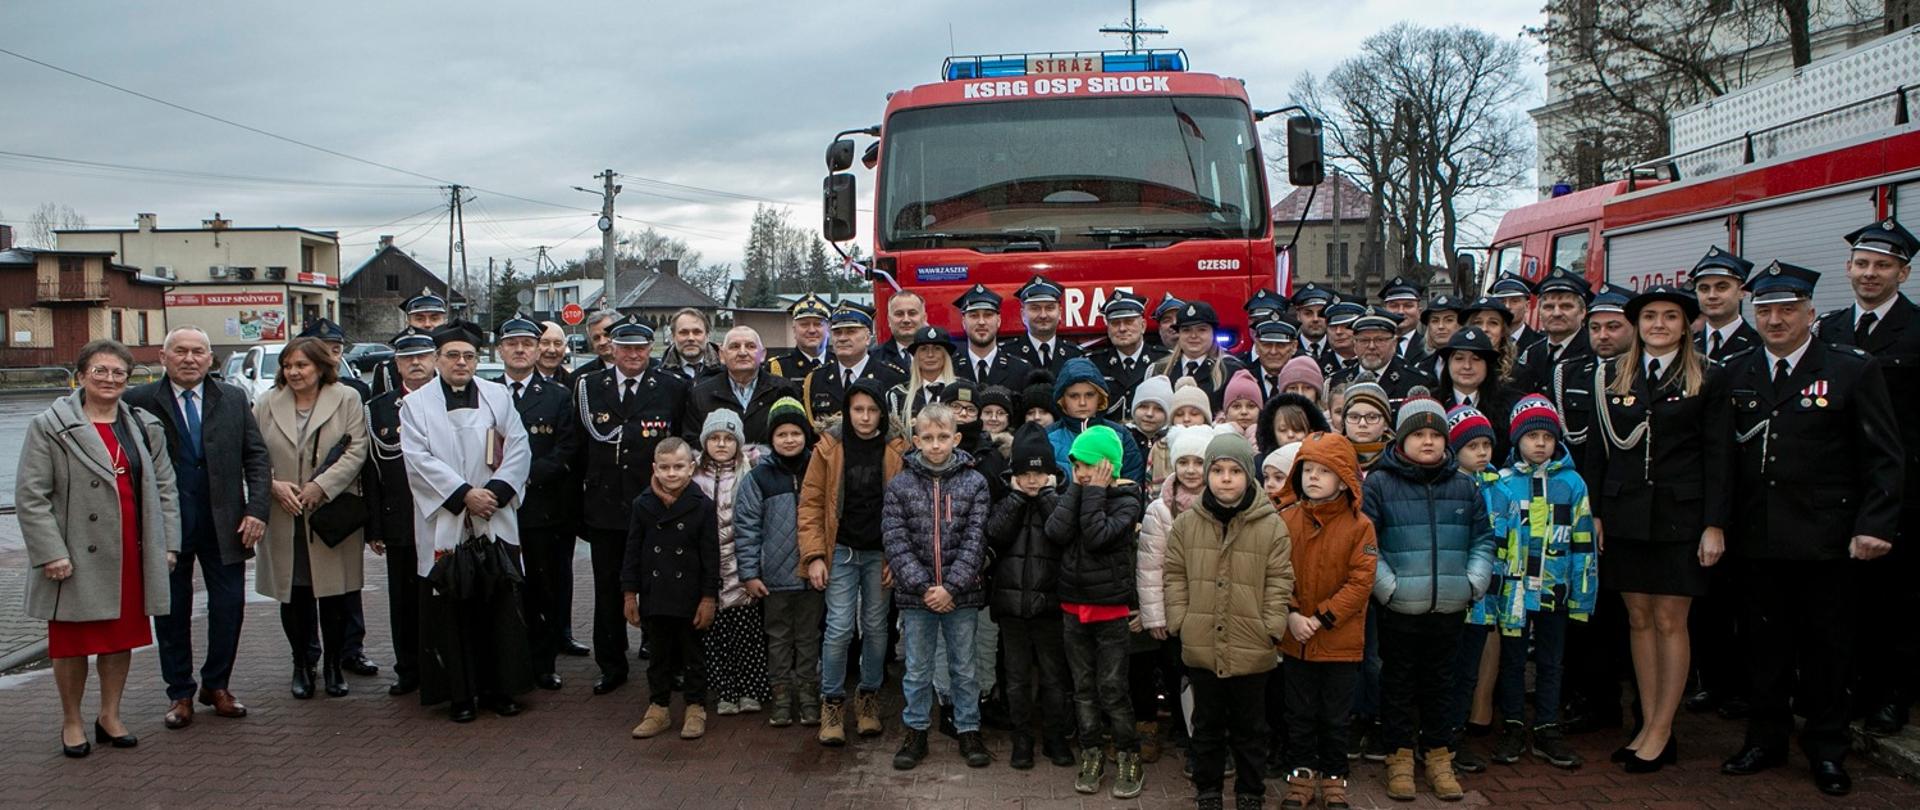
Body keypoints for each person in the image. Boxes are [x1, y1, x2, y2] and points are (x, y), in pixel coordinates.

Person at [1718, 261, 1901, 797]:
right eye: (1766, 310)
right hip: (1757, 538)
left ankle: (1826, 750)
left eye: (1787, 310)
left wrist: (1875, 524)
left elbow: (1884, 455)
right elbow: (1724, 457)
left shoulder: (1850, 369)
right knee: (1763, 646)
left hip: (1826, 538)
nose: (1775, 320)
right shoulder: (1737, 371)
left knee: (1827, 650)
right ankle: (1765, 740)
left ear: (1810, 312)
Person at [1574, 286, 1730, 771]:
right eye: (1649, 317)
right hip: (1625, 516)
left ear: (1686, 325)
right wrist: (1595, 511)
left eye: (1669, 317)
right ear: (1637, 325)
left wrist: (1714, 524)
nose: (1658, 324)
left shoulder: (1708, 377)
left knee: (1670, 621)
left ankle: (1663, 727)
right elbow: (1598, 452)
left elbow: (1720, 455)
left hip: (1680, 517)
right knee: (1637, 619)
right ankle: (1645, 724)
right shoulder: (1611, 376)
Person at [18, 340, 180, 757]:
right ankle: (71, 720)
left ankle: (110, 714)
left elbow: (165, 489)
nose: (109, 380)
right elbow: (32, 496)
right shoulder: (50, 426)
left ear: (129, 379)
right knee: (71, 643)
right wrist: (50, 552)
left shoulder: (144, 425)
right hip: (72, 556)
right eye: (100, 371)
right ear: (81, 376)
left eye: (118, 373)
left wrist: (168, 545)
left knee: (118, 639)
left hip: (131, 550)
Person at [127, 327, 269, 730]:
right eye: (181, 351)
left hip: (226, 523)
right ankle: (180, 693)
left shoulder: (234, 398)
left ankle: (217, 685)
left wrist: (257, 509)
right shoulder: (138, 402)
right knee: (171, 611)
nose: (189, 359)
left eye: (198, 352)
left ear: (211, 359)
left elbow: (256, 458)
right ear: (163, 357)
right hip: (167, 525)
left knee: (229, 608)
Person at [1814, 218, 1920, 736]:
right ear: (1847, 269)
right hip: (1836, 489)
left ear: (1903, 271)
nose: (1870, 273)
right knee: (1843, 599)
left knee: (1896, 599)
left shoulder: (1918, 330)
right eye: (1862, 264)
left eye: (1882, 265)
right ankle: (1850, 690)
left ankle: (1891, 695)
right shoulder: (1829, 330)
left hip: (1900, 489)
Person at [1363, 395, 1496, 802]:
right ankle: (1398, 755)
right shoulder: (1381, 483)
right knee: (1398, 680)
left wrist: (1472, 583)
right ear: (1401, 440)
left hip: (1450, 606)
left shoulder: (1463, 485)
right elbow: (1367, 544)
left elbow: (1484, 539)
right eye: (1417, 434)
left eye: (1435, 435)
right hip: (1400, 605)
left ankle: (1439, 754)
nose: (1427, 442)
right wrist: (1389, 589)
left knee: (1442, 682)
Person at [402, 322, 535, 721]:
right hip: (448, 517)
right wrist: (464, 495)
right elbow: (417, 460)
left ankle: (502, 689)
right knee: (453, 607)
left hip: (493, 513)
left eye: (469, 356)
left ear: (479, 359)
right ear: (437, 359)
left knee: (498, 603)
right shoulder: (416, 404)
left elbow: (519, 446)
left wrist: (493, 492)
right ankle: (460, 694)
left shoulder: (498, 396)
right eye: (452, 356)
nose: (461, 363)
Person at [1165, 431, 1293, 810]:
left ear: (1248, 476)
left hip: (1252, 643)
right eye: (1217, 469)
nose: (1225, 478)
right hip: (1202, 642)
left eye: (1234, 470)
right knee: (1205, 725)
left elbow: (1280, 578)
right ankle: (1208, 789)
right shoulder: (1188, 524)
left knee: (1251, 728)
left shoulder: (1270, 525)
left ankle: (1250, 791)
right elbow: (1173, 573)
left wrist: (1271, 625)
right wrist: (1181, 620)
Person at [576, 314, 689, 694]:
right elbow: (579, 450)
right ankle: (611, 664)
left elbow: (679, 444)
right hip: (605, 507)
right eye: (625, 347)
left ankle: (667, 662)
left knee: (661, 590)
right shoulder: (589, 387)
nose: (633, 354)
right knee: (608, 591)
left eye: (641, 347)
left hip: (656, 505)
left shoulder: (672, 387)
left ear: (651, 348)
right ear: (612, 348)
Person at [1483, 396, 1598, 770]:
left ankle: (1548, 726)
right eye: (1531, 436)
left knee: (1551, 662)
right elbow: (1493, 542)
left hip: (1555, 590)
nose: (1540, 444)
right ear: (1516, 439)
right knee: (1513, 662)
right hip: (1513, 594)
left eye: (1547, 437)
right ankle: (1514, 724)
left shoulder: (1572, 483)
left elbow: (1584, 542)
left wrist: (1583, 595)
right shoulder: (1500, 484)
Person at [252, 337, 369, 700]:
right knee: (295, 594)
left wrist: (321, 485)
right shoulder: (266, 403)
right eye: (288, 366)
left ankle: (335, 665)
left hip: (330, 513)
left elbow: (356, 449)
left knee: (334, 595)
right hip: (284, 513)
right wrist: (272, 486)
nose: (293, 372)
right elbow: (253, 454)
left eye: (301, 365)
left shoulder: (346, 398)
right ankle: (302, 664)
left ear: (320, 366)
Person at [884, 403, 995, 770]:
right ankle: (915, 731)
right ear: (916, 441)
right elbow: (895, 541)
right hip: (917, 598)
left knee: (964, 666)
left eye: (943, 437)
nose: (935, 445)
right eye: (927, 438)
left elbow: (976, 540)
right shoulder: (900, 484)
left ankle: (968, 728)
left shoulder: (974, 483)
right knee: (916, 668)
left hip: (960, 596)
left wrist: (951, 587)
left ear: (956, 438)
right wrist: (924, 587)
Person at [801, 378, 909, 745]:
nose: (865, 417)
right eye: (858, 409)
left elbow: (907, 508)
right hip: (841, 551)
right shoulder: (829, 448)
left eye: (872, 410)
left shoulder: (897, 449)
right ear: (847, 411)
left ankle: (868, 699)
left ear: (882, 413)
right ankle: (831, 703)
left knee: (878, 629)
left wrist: (898, 555)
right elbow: (812, 503)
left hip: (880, 551)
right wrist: (815, 555)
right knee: (839, 628)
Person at [1276, 431, 1375, 810]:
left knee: (1335, 716)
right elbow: (1276, 572)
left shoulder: (1360, 525)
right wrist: (1291, 613)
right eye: (1307, 469)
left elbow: (1361, 580)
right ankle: (1300, 775)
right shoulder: (1286, 520)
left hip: (1339, 641)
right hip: (1296, 637)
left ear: (1345, 477)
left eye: (1325, 470)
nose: (1313, 477)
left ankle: (1334, 775)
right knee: (1298, 713)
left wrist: (1320, 618)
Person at [1048, 425, 1148, 799]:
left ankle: (1127, 753)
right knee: (1084, 688)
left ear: (1110, 466)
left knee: (1112, 688)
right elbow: (1056, 531)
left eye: (1089, 464)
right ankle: (1091, 753)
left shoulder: (1127, 499)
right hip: (1073, 607)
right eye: (1077, 464)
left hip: (1110, 611)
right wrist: (1077, 489)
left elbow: (1097, 535)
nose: (1083, 471)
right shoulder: (1076, 491)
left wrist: (1091, 492)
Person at [496, 315, 581, 692]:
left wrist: (523, 476)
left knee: (542, 588)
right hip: (494, 507)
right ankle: (506, 661)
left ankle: (543, 664)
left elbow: (567, 448)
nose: (520, 350)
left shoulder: (558, 396)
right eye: (512, 343)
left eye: (527, 344)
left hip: (540, 506)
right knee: (501, 588)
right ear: (500, 349)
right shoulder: (485, 392)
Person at [985, 422, 1076, 769]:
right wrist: (1017, 498)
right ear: (1014, 474)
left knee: (1054, 677)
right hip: (1010, 606)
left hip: (1050, 604)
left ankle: (1054, 738)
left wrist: (1048, 496)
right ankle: (1021, 738)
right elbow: (995, 533)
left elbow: (1063, 532)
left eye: (1039, 473)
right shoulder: (1008, 498)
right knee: (1017, 678)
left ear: (1051, 473)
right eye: (1025, 473)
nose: (1032, 480)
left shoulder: (1059, 498)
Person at [624, 438, 721, 740]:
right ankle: (658, 707)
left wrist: (708, 598)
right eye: (665, 467)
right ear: (654, 468)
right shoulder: (642, 505)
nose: (672, 473)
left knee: (693, 655)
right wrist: (629, 594)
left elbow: (711, 557)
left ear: (691, 468)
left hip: (690, 596)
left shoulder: (702, 506)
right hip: (655, 595)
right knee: (659, 656)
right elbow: (633, 552)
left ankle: (695, 707)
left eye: (679, 466)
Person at [296, 318, 377, 678]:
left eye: (336, 348)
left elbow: (362, 447)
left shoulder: (354, 389)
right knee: (302, 586)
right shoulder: (290, 389)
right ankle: (308, 654)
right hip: (297, 500)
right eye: (322, 347)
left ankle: (350, 649)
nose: (330, 353)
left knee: (345, 585)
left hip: (342, 500)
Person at [1138, 424, 1220, 777]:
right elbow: (1150, 567)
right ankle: (1189, 741)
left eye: (1198, 462)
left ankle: (1212, 739)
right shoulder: (1160, 509)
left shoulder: (1222, 504)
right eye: (1182, 461)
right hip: (1175, 611)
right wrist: (1155, 616)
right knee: (1178, 676)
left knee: (1210, 679)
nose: (1189, 469)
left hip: (1213, 609)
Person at [735, 397, 822, 727]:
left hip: (812, 576)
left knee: (809, 637)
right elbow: (746, 530)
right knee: (779, 639)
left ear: (805, 435)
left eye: (795, 433)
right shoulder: (758, 478)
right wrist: (749, 573)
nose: (789, 440)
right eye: (782, 434)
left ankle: (810, 695)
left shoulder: (819, 469)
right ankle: (782, 696)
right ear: (771, 438)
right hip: (773, 578)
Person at [362, 329, 437, 697]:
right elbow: (371, 472)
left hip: (443, 517)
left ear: (435, 360)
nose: (416, 364)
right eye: (408, 358)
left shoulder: (452, 401)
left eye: (423, 356)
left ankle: (440, 664)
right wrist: (375, 526)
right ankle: (408, 667)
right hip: (401, 518)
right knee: (404, 599)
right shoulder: (378, 408)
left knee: (442, 595)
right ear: (396, 364)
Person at [692, 409, 770, 716]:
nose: (721, 444)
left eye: (728, 438)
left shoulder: (750, 470)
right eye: (714, 438)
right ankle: (725, 690)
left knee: (748, 635)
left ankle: (751, 690)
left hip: (741, 568)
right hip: (709, 570)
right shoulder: (694, 474)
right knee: (715, 637)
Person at [683, 326, 797, 446]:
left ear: (762, 354)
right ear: (721, 355)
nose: (743, 353)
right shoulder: (701, 394)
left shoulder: (784, 390)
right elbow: (692, 441)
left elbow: (796, 436)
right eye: (735, 346)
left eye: (750, 346)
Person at [805, 301, 906, 426]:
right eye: (837, 332)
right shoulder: (816, 378)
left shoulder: (892, 377)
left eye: (851, 332)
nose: (842, 338)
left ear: (867, 338)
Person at [1048, 357, 1147, 483]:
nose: (1082, 403)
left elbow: (1132, 486)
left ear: (1101, 397)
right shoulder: (1047, 437)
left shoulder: (1121, 435)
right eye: (1074, 396)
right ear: (1062, 400)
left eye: (1089, 395)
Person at [1434, 327, 1516, 466]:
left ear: (1487, 365)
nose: (1467, 366)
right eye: (1459, 358)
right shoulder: (1432, 403)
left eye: (1476, 359)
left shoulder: (1509, 404)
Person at [1328, 308, 1434, 412]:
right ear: (1355, 344)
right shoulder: (1337, 380)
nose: (1371, 346)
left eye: (1379, 340)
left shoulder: (1417, 381)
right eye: (1364, 340)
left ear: (1394, 344)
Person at [1512, 269, 1593, 395]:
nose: (1556, 313)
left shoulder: (1594, 352)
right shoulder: (1531, 354)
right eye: (1549, 307)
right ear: (1539, 313)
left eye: (1566, 306)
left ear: (1583, 312)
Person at [1153, 301, 1246, 411]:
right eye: (1186, 330)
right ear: (1179, 334)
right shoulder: (1160, 369)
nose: (1193, 336)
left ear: (1213, 333)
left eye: (1202, 330)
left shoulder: (1231, 370)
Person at [1089, 290, 1167, 418]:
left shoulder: (1164, 360)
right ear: (1108, 329)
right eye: (1115, 323)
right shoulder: (1094, 364)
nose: (1122, 328)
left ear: (1143, 326)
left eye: (1129, 322)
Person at [953, 284, 1036, 393]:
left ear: (998, 321)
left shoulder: (1020, 370)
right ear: (963, 322)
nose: (981, 322)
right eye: (974, 316)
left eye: (988, 315)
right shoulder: (951, 368)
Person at [372, 288, 450, 394]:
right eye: (419, 319)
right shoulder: (388, 369)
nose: (427, 324)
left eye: (434, 318)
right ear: (408, 322)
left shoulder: (456, 360)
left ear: (445, 322)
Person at [1003, 273, 1085, 375]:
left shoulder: (1075, 355)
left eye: (1049, 308)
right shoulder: (1006, 354)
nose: (1043, 315)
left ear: (1060, 313)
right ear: (1023, 314)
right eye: (1035, 308)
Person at [1691, 248, 1761, 363]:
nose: (1712, 295)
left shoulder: (1759, 345)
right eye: (1704, 289)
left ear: (1741, 292)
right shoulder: (1686, 346)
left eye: (1722, 287)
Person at [888, 325, 959, 428]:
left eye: (937, 348)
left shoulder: (961, 390)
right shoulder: (898, 395)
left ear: (945, 355)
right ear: (916, 356)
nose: (930, 354)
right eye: (923, 349)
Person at [766, 293, 830, 384]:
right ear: (794, 330)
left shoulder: (840, 363)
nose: (812, 330)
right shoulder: (778, 368)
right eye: (804, 324)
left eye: (818, 324)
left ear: (828, 328)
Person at [872, 290, 931, 369]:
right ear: (889, 320)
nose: (906, 320)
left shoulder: (942, 356)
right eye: (899, 314)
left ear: (924, 318)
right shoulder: (873, 358)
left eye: (912, 313)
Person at [659, 307, 721, 381]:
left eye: (697, 332)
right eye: (683, 332)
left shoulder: (727, 372)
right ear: (673, 337)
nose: (691, 338)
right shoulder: (659, 377)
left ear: (707, 336)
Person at [1415, 295, 1466, 380]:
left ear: (1462, 325)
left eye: (1449, 320)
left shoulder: (1476, 364)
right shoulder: (1420, 368)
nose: (1441, 326)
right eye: (1435, 321)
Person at [1377, 277, 1424, 362]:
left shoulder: (1430, 348)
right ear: (1384, 311)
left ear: (1419, 312)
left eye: (1408, 305)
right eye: (1394, 306)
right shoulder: (1373, 347)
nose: (1400, 312)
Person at [1487, 273, 1538, 349]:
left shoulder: (1538, 343)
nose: (1507, 306)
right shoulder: (1485, 341)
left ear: (1527, 306)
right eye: (1502, 301)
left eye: (1514, 301)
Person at [1318, 299, 1366, 377]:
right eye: (1333, 327)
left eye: (1346, 326)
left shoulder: (1373, 362)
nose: (1338, 332)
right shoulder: (1317, 367)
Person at [1215, 369, 1264, 442]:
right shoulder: (1213, 437)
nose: (1244, 412)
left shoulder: (1271, 440)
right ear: (1226, 412)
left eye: (1251, 406)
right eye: (1236, 406)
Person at [1293, 284, 1337, 363]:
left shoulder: (1338, 349)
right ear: (1298, 316)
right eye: (1308, 314)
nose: (1315, 319)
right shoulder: (1288, 350)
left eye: (1321, 313)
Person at [572, 309, 619, 380]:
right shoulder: (580, 377)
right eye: (596, 338)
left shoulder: (639, 369)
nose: (602, 342)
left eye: (607, 335)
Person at [535, 321, 575, 388]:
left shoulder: (574, 383)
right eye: (545, 343)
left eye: (557, 343)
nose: (552, 350)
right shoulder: (520, 380)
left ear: (565, 348)